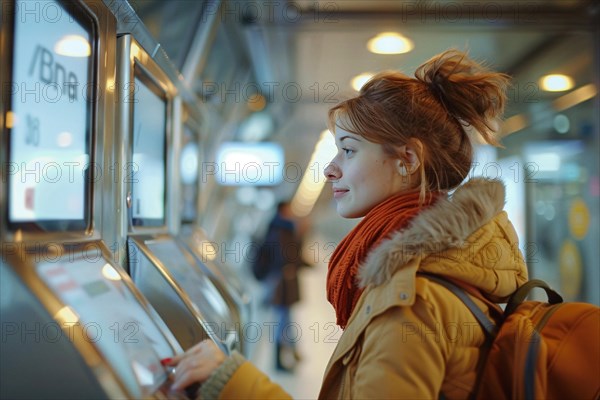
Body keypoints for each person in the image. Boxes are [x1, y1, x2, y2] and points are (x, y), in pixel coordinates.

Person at [166, 49, 528, 399]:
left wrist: (231, 384)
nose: (330, 168)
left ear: (407, 160)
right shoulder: (451, 263)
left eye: (349, 150)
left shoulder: (411, 299)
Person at [255, 201, 303, 372]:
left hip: (282, 281)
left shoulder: (278, 228)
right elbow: (286, 256)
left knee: (285, 318)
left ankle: (291, 352)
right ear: (283, 210)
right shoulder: (281, 231)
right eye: (290, 209)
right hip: (282, 282)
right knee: (282, 319)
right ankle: (279, 359)